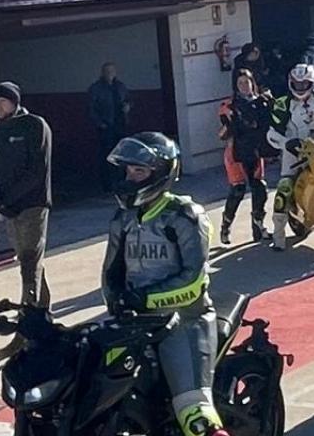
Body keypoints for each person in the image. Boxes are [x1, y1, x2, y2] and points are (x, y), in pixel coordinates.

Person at [101, 133, 231, 436]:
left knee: (194, 413)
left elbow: (194, 282)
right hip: (134, 323)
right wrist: (118, 303)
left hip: (183, 320)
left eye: (139, 171)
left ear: (161, 173)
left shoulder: (185, 217)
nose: (130, 178)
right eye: (128, 170)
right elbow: (111, 272)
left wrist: (142, 300)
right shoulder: (122, 219)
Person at [0, 81, 53, 355]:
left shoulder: (35, 125)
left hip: (32, 206)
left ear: (14, 102)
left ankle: (26, 334)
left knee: (29, 265)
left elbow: (38, 170)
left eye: (2, 101)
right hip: (9, 209)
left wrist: (12, 198)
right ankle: (43, 320)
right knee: (32, 267)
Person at [267, 64, 314, 250]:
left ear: (312, 83)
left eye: (304, 83)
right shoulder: (282, 103)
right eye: (296, 84)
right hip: (294, 150)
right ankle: (278, 234)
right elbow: (272, 133)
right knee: (284, 186)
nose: (300, 87)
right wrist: (286, 143)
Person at [217, 71, 272, 245]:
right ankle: (225, 226)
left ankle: (258, 226)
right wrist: (233, 122)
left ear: (252, 82)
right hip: (236, 153)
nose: (244, 86)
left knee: (260, 189)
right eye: (240, 83)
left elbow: (270, 122)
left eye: (247, 82)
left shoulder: (262, 101)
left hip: (255, 151)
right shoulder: (230, 106)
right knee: (238, 190)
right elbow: (223, 132)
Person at [89, 63, 130, 195]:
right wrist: (100, 123)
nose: (110, 73)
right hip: (107, 126)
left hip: (121, 125)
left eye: (112, 71)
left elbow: (129, 100)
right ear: (102, 72)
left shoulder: (121, 86)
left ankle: (122, 183)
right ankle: (107, 185)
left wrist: (128, 107)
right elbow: (91, 108)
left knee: (123, 156)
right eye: (107, 71)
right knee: (107, 156)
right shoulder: (96, 88)